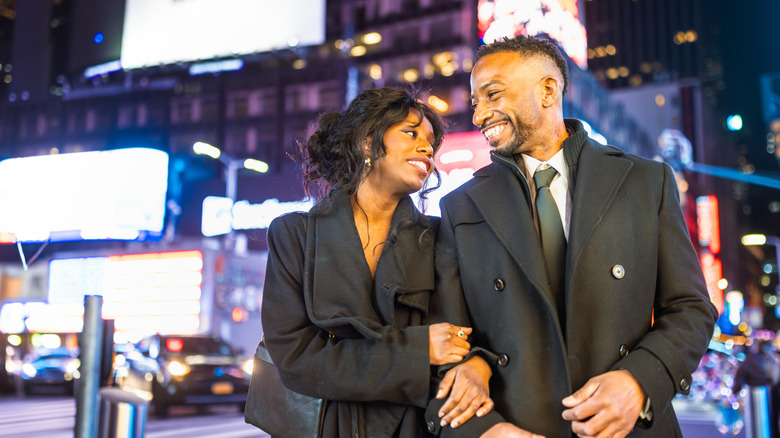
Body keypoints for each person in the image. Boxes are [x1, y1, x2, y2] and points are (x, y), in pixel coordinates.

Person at [424, 35, 719, 438]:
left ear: (548, 89)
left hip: (630, 428)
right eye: (476, 101)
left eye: (492, 94)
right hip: (516, 427)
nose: (479, 115)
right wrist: (484, 430)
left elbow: (690, 308)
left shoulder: (646, 181)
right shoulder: (460, 205)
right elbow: (449, 338)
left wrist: (639, 381)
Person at [261, 87, 493, 438]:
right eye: (411, 133)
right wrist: (417, 351)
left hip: (416, 427)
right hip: (329, 428)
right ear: (368, 142)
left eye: (431, 141)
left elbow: (455, 346)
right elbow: (296, 361)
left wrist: (477, 362)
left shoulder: (441, 237)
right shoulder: (294, 234)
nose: (427, 147)